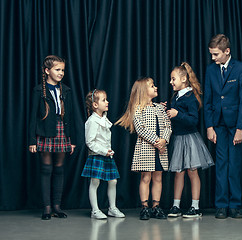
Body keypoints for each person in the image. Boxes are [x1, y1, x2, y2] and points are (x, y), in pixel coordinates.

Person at [204, 34, 242, 219]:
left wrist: (240, 128)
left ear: (227, 51)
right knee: (221, 165)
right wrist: (209, 126)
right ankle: (221, 205)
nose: (213, 58)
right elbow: (207, 100)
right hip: (218, 124)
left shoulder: (240, 69)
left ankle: (235, 205)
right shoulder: (211, 70)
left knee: (234, 165)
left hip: (235, 125)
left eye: (215, 54)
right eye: (211, 55)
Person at [116, 77, 172, 220]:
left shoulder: (160, 108)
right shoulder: (137, 108)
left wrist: (164, 140)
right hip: (146, 148)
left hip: (161, 149)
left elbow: (167, 126)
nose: (156, 87)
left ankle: (156, 206)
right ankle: (144, 207)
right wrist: (156, 141)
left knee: (158, 177)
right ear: (143, 91)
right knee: (146, 177)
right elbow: (140, 129)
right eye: (152, 86)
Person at [28, 55, 76, 220]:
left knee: (59, 169)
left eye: (62, 70)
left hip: (62, 129)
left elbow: (70, 117)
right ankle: (47, 208)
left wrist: (71, 141)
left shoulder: (67, 90)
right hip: (45, 130)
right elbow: (32, 117)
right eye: (57, 69)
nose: (61, 73)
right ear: (47, 71)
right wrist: (32, 140)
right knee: (46, 169)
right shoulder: (38, 90)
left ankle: (57, 206)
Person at [165, 62, 214, 218]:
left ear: (184, 79)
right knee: (178, 173)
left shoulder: (191, 97)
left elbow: (194, 120)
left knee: (192, 172)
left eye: (173, 79)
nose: (171, 82)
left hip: (190, 139)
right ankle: (176, 205)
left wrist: (177, 114)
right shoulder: (175, 97)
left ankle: (195, 207)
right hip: (178, 139)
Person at [81, 89, 125, 219]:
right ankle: (95, 210)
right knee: (95, 182)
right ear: (95, 105)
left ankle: (112, 208)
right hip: (97, 156)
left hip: (107, 155)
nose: (107, 102)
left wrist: (108, 151)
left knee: (113, 181)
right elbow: (90, 142)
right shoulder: (92, 121)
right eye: (104, 100)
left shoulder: (104, 119)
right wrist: (103, 151)